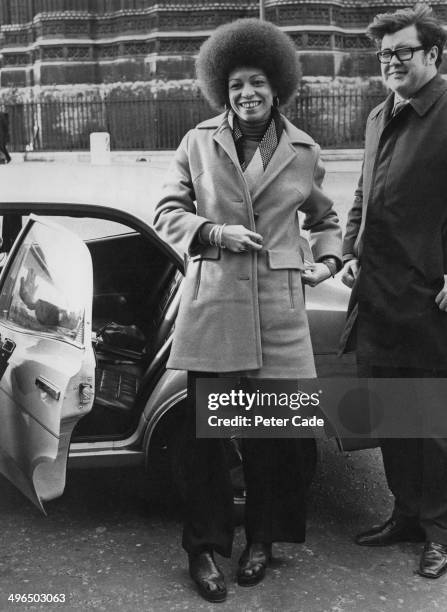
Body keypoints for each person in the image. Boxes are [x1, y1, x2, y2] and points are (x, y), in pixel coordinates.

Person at [154, 18, 342, 603]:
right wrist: (214, 232)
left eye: (257, 82)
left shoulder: (304, 151)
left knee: (272, 438)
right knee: (209, 438)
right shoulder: (196, 141)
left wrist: (328, 264)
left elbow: (327, 221)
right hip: (215, 306)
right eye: (235, 85)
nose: (247, 94)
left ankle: (261, 541)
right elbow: (166, 213)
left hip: (280, 310)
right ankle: (205, 551)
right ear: (221, 89)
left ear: (277, 85)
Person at [341, 4, 447, 579]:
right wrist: (353, 249)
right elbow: (364, 190)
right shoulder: (380, 114)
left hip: (430, 296)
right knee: (391, 417)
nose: (391, 62)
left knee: (432, 424)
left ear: (433, 53)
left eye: (402, 51)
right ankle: (406, 513)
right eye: (384, 53)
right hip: (378, 293)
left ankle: (439, 530)